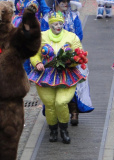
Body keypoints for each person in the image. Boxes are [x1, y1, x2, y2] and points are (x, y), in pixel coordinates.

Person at [28, 11, 86, 144]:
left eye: (60, 23)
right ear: (50, 24)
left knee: (60, 102)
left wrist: (71, 61)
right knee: (49, 104)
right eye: (55, 24)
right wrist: (37, 63)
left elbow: (80, 54)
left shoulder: (71, 37)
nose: (58, 26)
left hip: (66, 75)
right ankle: (53, 130)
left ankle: (64, 129)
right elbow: (34, 53)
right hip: (45, 75)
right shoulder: (41, 37)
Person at [40, 0, 93, 126]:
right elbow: (43, 37)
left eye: (67, 1)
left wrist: (69, 51)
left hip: (71, 54)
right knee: (55, 84)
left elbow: (79, 35)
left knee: (72, 83)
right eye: (62, 1)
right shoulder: (47, 18)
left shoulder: (73, 16)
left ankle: (74, 111)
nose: (65, 4)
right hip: (52, 55)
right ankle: (56, 114)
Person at [12, 0, 50, 74]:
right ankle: (24, 74)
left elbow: (46, 12)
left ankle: (34, 73)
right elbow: (16, 11)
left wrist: (46, 27)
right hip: (19, 24)